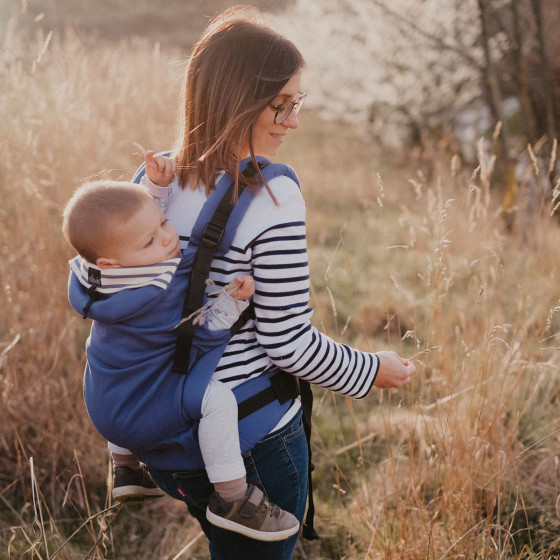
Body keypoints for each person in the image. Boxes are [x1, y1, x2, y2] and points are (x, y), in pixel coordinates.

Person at [133, 6, 417, 560]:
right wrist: (370, 371)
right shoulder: (272, 197)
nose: (292, 121)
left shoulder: (152, 180)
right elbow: (287, 343)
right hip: (250, 442)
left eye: (297, 104)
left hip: (169, 438)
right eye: (279, 105)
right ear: (235, 99)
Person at [63, 178, 301, 541]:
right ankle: (234, 501)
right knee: (217, 400)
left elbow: (127, 230)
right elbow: (199, 330)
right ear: (112, 263)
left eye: (163, 221)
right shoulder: (157, 291)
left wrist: (155, 192)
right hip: (142, 413)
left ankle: (125, 469)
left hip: (104, 403)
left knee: (106, 360)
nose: (167, 237)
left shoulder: (91, 279)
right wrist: (231, 302)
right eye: (150, 241)